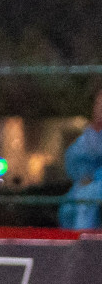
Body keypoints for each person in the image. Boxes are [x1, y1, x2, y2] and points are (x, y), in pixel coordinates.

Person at [59, 88, 102, 231]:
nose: (99, 107)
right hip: (84, 185)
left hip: (95, 186)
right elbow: (73, 160)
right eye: (98, 103)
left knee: (87, 196)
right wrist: (84, 177)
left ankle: (83, 243)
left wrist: (94, 177)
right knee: (68, 208)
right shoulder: (89, 134)